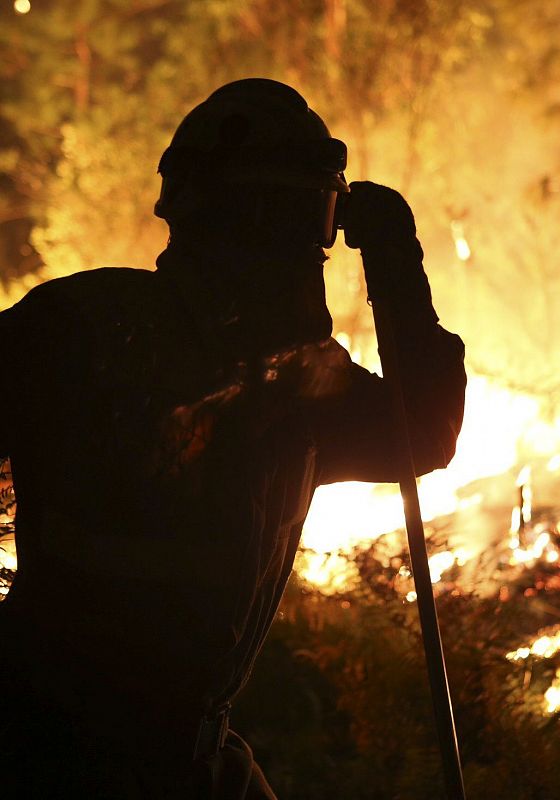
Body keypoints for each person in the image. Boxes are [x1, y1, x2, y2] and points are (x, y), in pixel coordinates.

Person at [0, 78, 466, 798]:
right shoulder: (75, 333)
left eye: (307, 218)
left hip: (190, 760)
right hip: (49, 756)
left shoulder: (296, 384)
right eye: (282, 217)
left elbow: (420, 436)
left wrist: (400, 274)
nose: (295, 252)